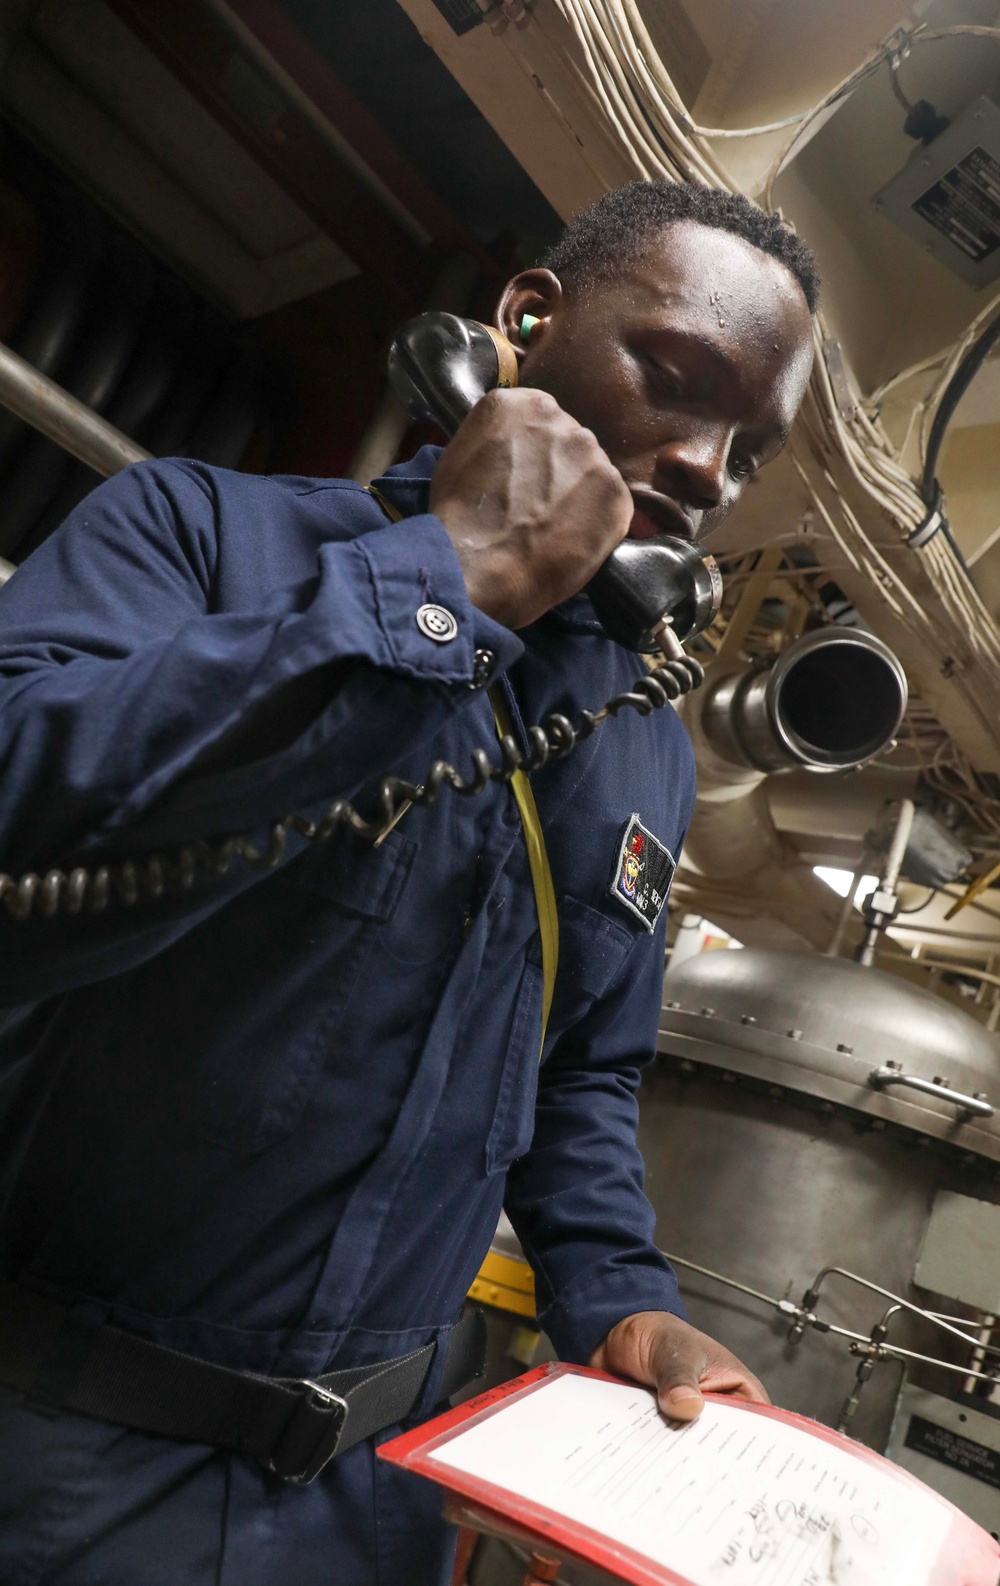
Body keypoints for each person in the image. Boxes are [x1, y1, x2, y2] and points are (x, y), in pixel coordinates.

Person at [0, 180, 818, 1585]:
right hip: (57, 1454)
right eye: (675, 381)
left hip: (371, 1507)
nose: (701, 466)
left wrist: (618, 1298)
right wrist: (452, 578)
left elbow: (583, 1077)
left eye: (745, 450)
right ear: (525, 321)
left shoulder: (640, 747)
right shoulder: (193, 535)